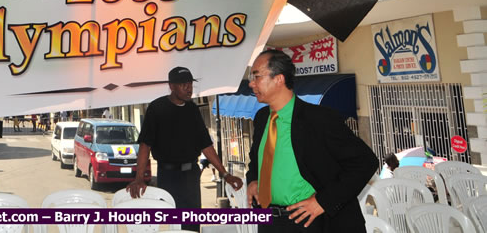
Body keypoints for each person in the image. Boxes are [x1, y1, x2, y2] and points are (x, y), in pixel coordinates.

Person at [246, 49, 378, 232]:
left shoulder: (318, 119)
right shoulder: (262, 118)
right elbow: (256, 160)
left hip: (311, 222)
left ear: (279, 79)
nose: (251, 83)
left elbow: (365, 162)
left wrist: (323, 202)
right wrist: (253, 179)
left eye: (256, 76)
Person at [128, 67, 243, 232]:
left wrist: (225, 174)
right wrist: (139, 178)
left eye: (190, 84)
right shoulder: (157, 108)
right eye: (183, 85)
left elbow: (206, 145)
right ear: (171, 86)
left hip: (191, 176)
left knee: (192, 224)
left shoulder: (193, 110)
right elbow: (145, 145)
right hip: (168, 176)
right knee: (172, 225)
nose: (189, 88)